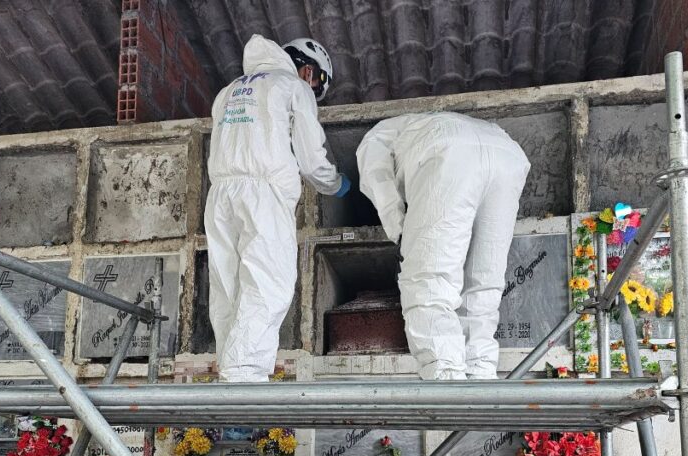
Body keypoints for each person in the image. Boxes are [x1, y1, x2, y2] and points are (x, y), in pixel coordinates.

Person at [206, 34, 350, 382]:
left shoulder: (228, 92)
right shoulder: (291, 87)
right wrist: (338, 185)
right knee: (267, 284)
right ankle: (242, 385)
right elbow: (312, 160)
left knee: (229, 291)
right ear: (304, 66)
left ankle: (230, 379)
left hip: (221, 195)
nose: (311, 86)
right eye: (315, 80)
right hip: (264, 194)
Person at [356, 112, 530, 380]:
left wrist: (400, 229)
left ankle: (447, 384)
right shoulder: (411, 125)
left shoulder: (376, 136)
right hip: (508, 154)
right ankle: (481, 378)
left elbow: (377, 179)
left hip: (446, 146)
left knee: (429, 283)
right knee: (483, 286)